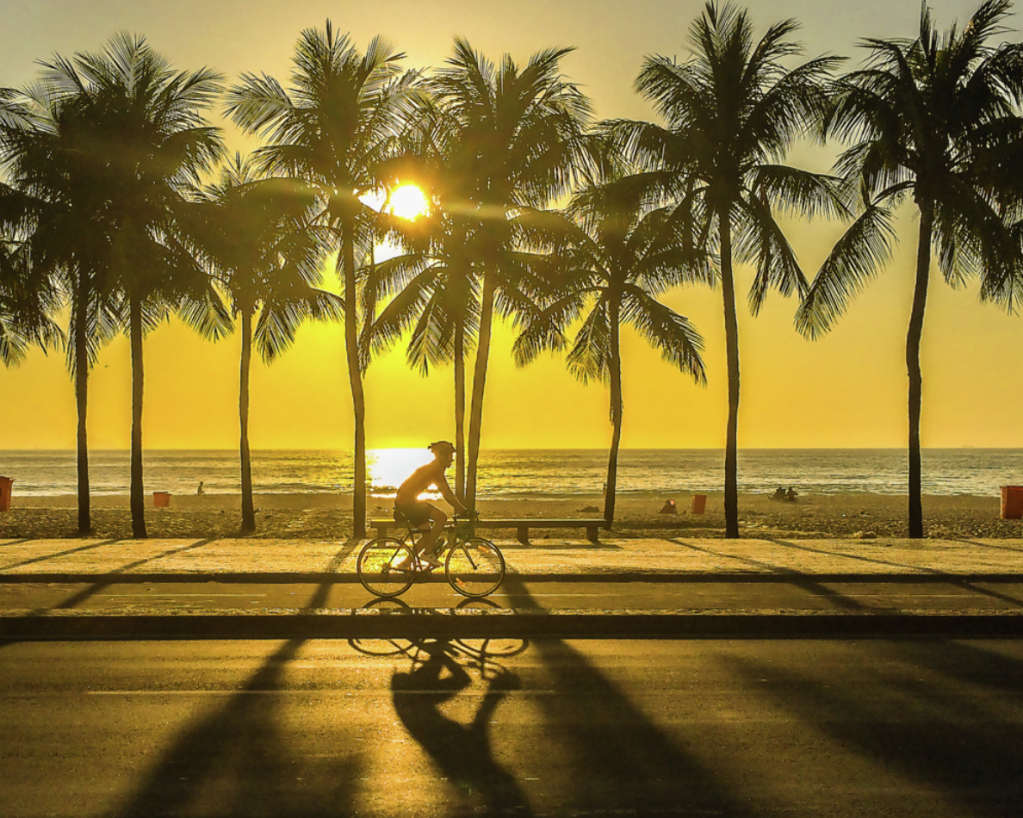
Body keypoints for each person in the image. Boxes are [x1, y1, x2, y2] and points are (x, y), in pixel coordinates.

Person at [394, 440, 467, 569]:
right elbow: (446, 494)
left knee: (428, 536)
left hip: (407, 502)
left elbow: (447, 492)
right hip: (408, 503)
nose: (452, 460)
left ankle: (405, 564)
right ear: (443, 457)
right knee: (441, 518)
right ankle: (428, 553)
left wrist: (460, 508)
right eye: (451, 456)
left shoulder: (434, 468)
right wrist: (462, 509)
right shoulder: (435, 470)